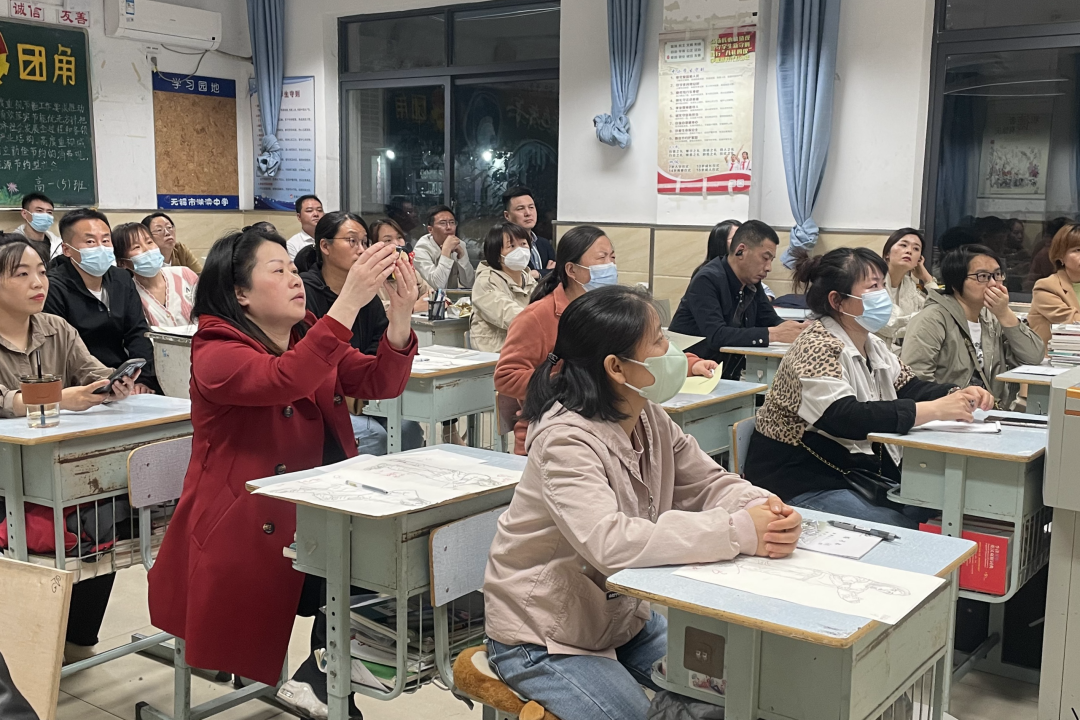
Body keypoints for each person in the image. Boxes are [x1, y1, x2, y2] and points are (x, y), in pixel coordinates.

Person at [484, 284, 801, 720]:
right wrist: (740, 531)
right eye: (659, 340)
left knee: (739, 692)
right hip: (543, 634)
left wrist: (764, 508)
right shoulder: (565, 440)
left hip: (623, 620)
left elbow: (707, 482)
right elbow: (610, 542)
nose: (672, 351)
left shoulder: (647, 413)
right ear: (616, 367)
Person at [148, 226, 418, 719]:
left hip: (320, 511)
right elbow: (284, 379)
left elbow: (379, 380)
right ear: (240, 293)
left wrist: (399, 317)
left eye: (295, 269)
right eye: (279, 271)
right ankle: (324, 683)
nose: (296, 279)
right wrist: (348, 303)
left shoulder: (304, 334)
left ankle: (321, 679)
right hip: (248, 524)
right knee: (348, 590)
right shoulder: (215, 348)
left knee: (384, 577)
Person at [744, 248, 994, 527]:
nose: (882, 294)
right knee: (901, 528)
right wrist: (934, 410)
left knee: (933, 508)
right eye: (873, 287)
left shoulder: (870, 342)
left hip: (851, 473)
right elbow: (846, 417)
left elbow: (907, 386)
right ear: (837, 301)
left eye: (882, 285)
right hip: (800, 481)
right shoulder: (816, 346)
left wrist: (956, 394)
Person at [0, 233, 139, 659]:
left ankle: (79, 636)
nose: (37, 283)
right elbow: (5, 402)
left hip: (56, 464)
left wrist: (111, 386)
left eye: (41, 272)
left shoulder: (56, 327)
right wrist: (63, 399)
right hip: (7, 473)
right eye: (21, 274)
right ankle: (26, 649)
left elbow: (91, 371)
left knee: (104, 520)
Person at [495, 225, 717, 454]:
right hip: (552, 432)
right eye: (601, 259)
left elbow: (640, 351)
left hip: (609, 426)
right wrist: (568, 382)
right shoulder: (536, 317)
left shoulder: (609, 310)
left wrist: (688, 364)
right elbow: (506, 377)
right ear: (571, 270)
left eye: (612, 258)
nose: (610, 265)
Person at [302, 211, 426, 454]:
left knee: (409, 429)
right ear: (325, 246)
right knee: (374, 436)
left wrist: (402, 314)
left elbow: (377, 350)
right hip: (323, 397)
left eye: (364, 242)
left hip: (361, 392)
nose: (361, 250)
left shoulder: (369, 297)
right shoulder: (307, 292)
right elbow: (311, 362)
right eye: (352, 241)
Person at [902, 245, 1045, 410]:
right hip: (947, 414)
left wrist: (1005, 313)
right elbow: (914, 384)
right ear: (956, 282)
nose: (993, 283)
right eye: (982, 276)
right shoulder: (931, 320)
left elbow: (1034, 356)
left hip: (990, 412)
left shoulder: (991, 317)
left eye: (997, 275)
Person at [669, 220, 806, 379]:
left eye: (771, 260)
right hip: (692, 375)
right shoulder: (707, 279)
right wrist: (774, 334)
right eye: (765, 258)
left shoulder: (752, 283)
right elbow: (717, 335)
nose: (768, 267)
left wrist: (798, 329)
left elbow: (770, 320)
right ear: (741, 250)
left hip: (725, 375)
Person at [44, 209, 159, 394]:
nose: (100, 247)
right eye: (90, 242)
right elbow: (60, 350)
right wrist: (99, 385)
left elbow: (137, 332)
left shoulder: (122, 279)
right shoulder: (53, 287)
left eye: (105, 240)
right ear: (67, 249)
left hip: (122, 379)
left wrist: (143, 379)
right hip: (78, 385)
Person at [111, 223, 198, 328]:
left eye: (149, 242)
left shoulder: (185, 274)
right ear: (122, 262)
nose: (147, 249)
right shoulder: (129, 294)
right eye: (136, 247)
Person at [470, 222, 538, 352]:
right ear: (496, 254)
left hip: (525, 349)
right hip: (496, 354)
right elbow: (511, 315)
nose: (520, 251)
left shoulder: (528, 278)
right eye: (511, 246)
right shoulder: (486, 281)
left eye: (523, 244)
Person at [876, 228, 938, 354]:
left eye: (916, 249)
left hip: (891, 353)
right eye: (903, 245)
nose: (909, 251)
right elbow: (887, 325)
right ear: (887, 253)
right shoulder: (873, 281)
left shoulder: (909, 285)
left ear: (918, 260)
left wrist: (927, 278)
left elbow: (940, 308)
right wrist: (925, 319)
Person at [1027, 223, 1080, 347]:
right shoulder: (1046, 287)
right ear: (1060, 256)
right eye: (1078, 250)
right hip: (1055, 356)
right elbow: (1073, 322)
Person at [368, 218, 431, 313]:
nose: (396, 244)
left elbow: (433, 295)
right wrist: (413, 308)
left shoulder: (410, 270)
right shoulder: (369, 275)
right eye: (388, 240)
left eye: (399, 237)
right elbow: (371, 309)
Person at [413, 205, 475, 290]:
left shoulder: (459, 244)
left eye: (452, 222)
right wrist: (446, 252)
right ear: (430, 229)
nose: (449, 227)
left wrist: (461, 256)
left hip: (452, 297)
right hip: (427, 297)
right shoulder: (421, 249)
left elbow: (470, 284)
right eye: (443, 223)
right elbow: (436, 286)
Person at [502, 186, 555, 278]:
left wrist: (537, 273)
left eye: (531, 207)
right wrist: (545, 273)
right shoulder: (505, 246)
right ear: (507, 215)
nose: (528, 213)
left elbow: (556, 274)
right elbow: (515, 277)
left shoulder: (544, 244)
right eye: (520, 208)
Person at [13, 192, 61, 259]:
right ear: (24, 214)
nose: (45, 215)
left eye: (49, 212)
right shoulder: (12, 244)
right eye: (39, 211)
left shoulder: (58, 244)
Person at [286, 194, 325, 260]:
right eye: (309, 211)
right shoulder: (292, 244)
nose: (316, 214)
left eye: (319, 210)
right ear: (299, 217)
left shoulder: (332, 237)